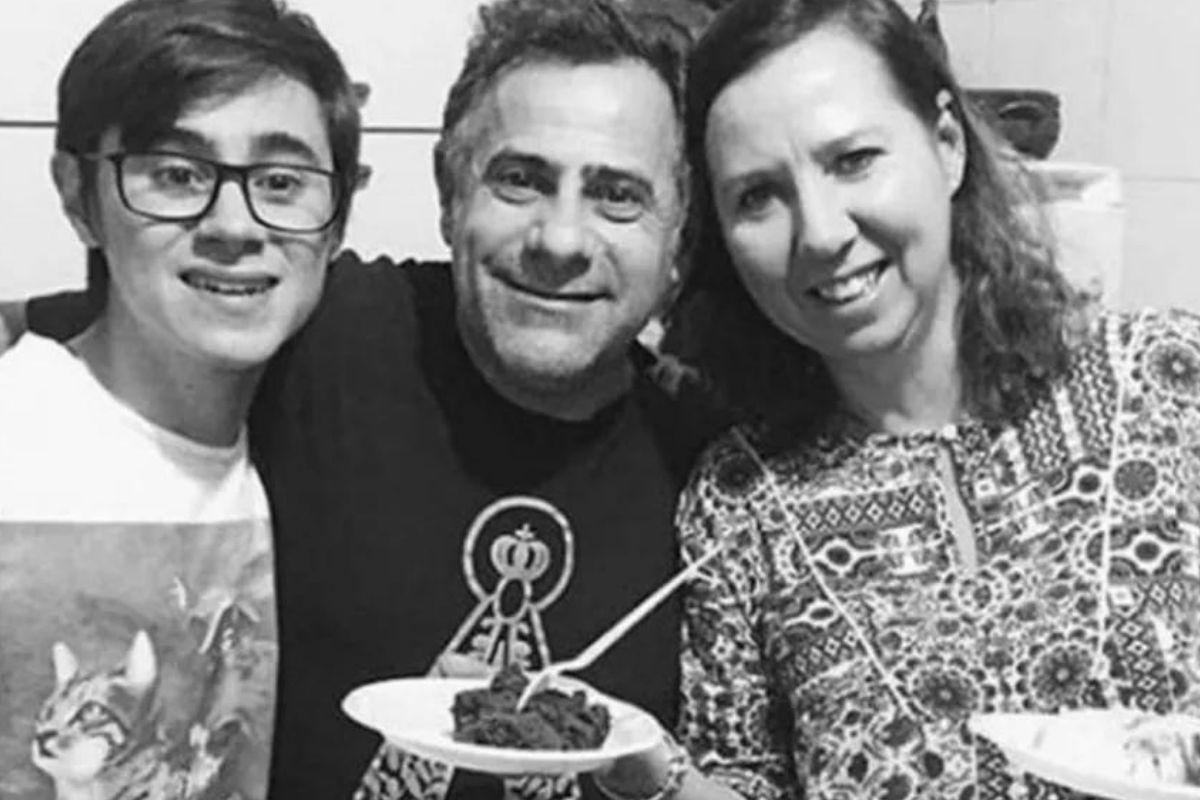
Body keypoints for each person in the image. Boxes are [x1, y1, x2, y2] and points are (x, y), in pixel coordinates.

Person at [5, 0, 720, 796]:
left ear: (682, 233)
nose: (560, 239)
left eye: (618, 194)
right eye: (519, 180)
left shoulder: (717, 469)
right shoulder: (308, 328)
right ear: (449, 190)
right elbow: (118, 317)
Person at [660, 0, 1200, 798]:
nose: (821, 232)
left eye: (853, 160)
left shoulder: (1165, 382)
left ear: (947, 145)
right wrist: (651, 772)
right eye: (758, 196)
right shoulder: (741, 504)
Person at [0, 0, 361, 797]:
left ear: (336, 221)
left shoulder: (307, 460)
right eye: (176, 174)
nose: (234, 225)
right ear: (77, 196)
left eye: (281, 182)